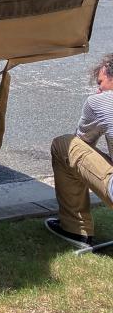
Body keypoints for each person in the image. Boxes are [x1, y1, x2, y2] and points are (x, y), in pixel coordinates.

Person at [47, 54, 113, 246]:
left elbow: (83, 142)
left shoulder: (101, 100)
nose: (98, 88)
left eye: (100, 82)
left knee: (64, 145)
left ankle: (76, 228)